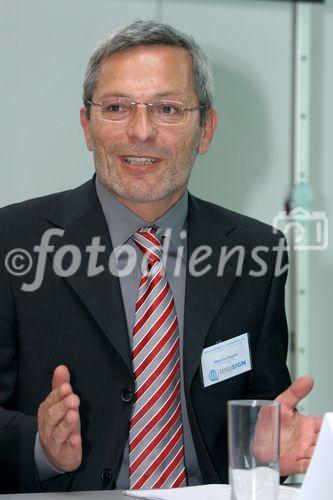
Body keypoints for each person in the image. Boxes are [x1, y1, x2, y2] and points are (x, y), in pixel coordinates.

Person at [0, 20, 321, 494]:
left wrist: (266, 454)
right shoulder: (14, 241)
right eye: (116, 108)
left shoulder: (257, 252)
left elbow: (259, 417)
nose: (142, 131)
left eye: (168, 109)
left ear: (205, 129)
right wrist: (40, 449)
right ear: (87, 126)